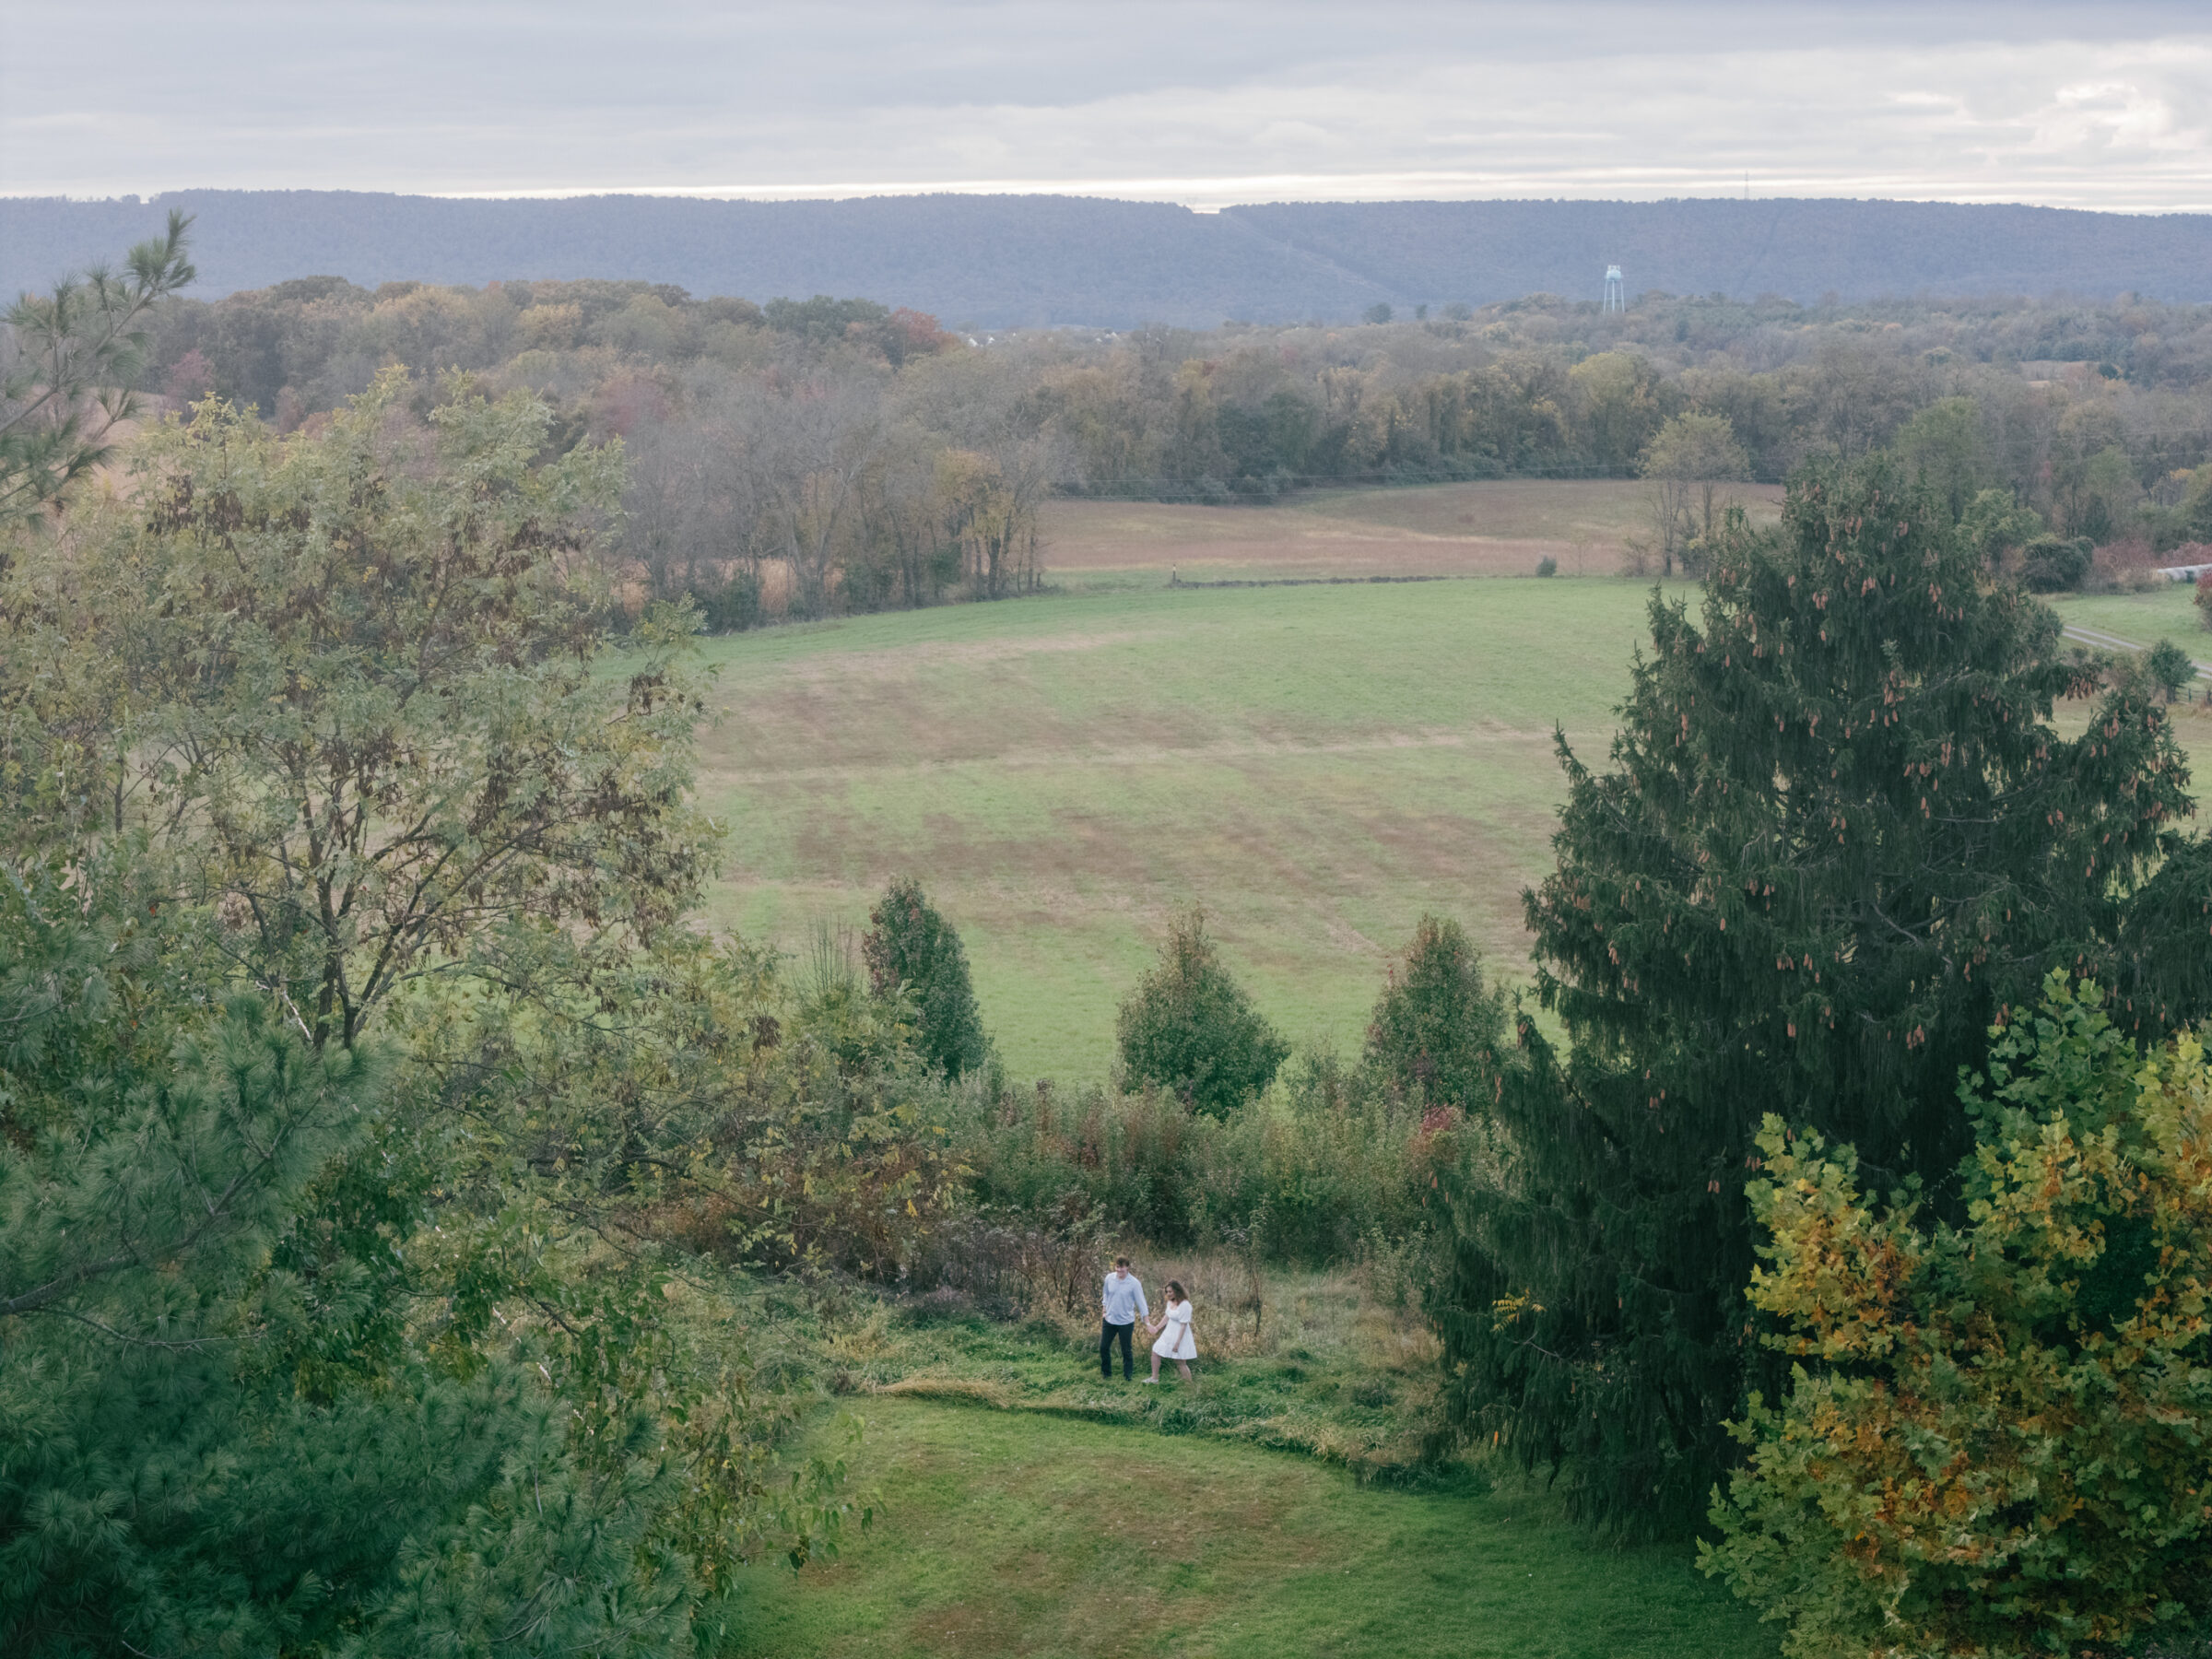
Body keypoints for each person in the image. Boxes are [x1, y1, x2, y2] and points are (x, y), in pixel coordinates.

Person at [1099, 1255, 1148, 1382]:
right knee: (1103, 1347)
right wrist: (1104, 1310)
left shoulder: (1134, 1283)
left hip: (1126, 1322)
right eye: (1117, 1267)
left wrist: (1146, 1321)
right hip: (1109, 1320)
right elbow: (1106, 1295)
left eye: (1122, 1268)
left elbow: (1141, 1303)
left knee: (1126, 1351)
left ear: (1128, 1267)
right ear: (1115, 1267)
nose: (1120, 1270)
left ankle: (1128, 1376)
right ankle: (1106, 1374)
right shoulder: (1109, 1278)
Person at [1144, 1279, 1196, 1385]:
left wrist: (1177, 1343)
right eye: (1167, 1292)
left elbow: (1183, 1326)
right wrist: (1157, 1328)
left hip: (1180, 1335)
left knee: (1180, 1362)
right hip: (1168, 1333)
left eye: (1170, 1292)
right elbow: (1167, 1316)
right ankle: (1154, 1378)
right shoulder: (1170, 1302)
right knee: (1155, 1352)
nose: (1168, 1294)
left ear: (1177, 1291)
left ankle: (1189, 1386)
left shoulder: (1185, 1305)